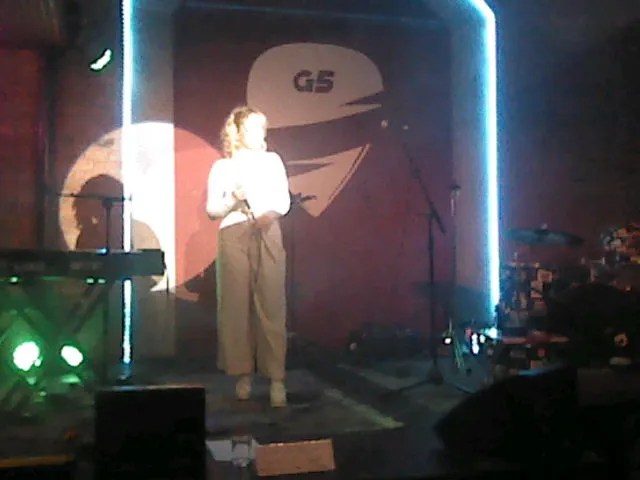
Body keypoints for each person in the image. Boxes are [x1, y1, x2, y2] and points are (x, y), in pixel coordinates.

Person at [206, 105, 291, 407]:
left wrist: (269, 215)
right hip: (234, 234)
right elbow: (212, 210)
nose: (259, 133)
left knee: (271, 303)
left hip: (267, 229)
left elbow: (283, 200)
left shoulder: (272, 161)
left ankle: (276, 378)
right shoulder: (223, 167)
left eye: (262, 128)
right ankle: (243, 374)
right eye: (253, 127)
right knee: (236, 306)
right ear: (238, 131)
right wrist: (233, 199)